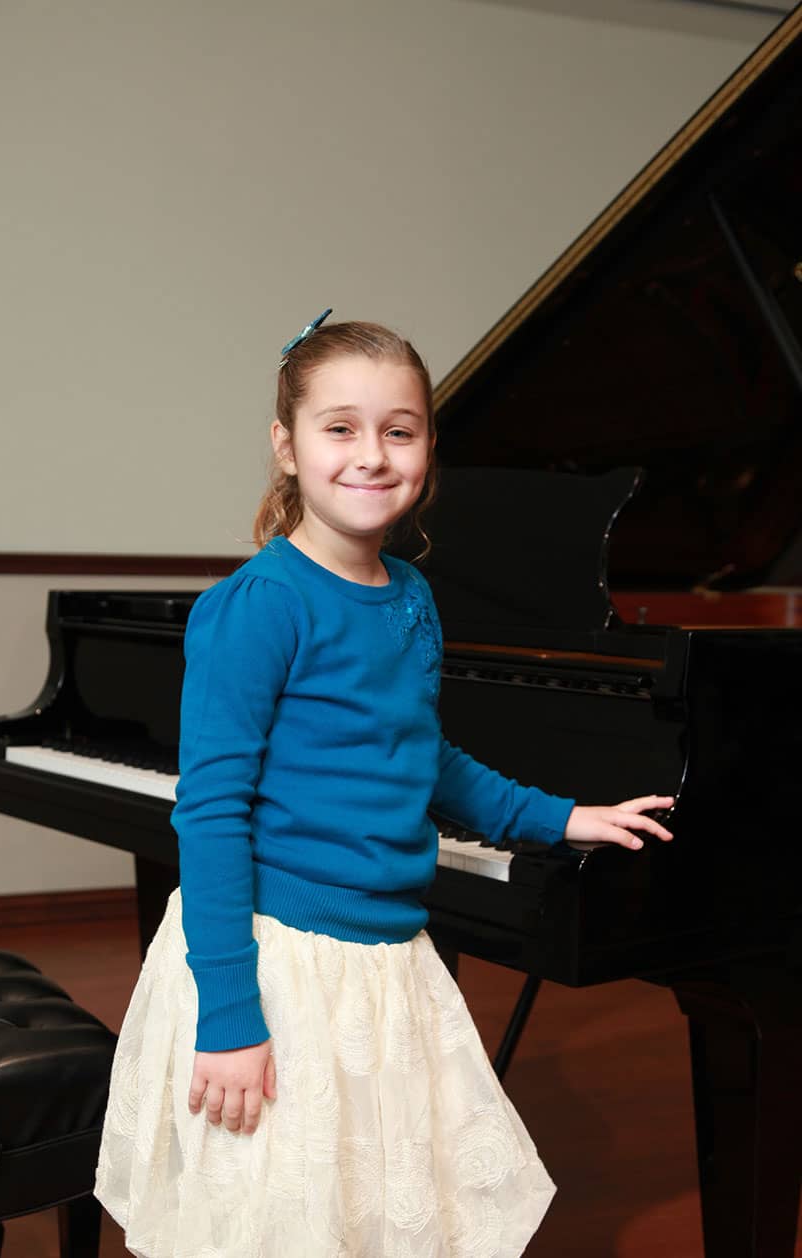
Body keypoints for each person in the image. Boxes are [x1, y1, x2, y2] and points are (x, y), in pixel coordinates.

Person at [94, 312, 673, 1258]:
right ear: (286, 447)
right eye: (340, 428)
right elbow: (208, 814)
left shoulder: (411, 594)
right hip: (278, 964)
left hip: (386, 961)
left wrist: (561, 815)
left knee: (371, 1215)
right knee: (282, 1223)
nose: (371, 454)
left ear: (429, 449)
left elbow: (421, 753)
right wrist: (232, 1017)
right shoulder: (256, 608)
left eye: (398, 430)